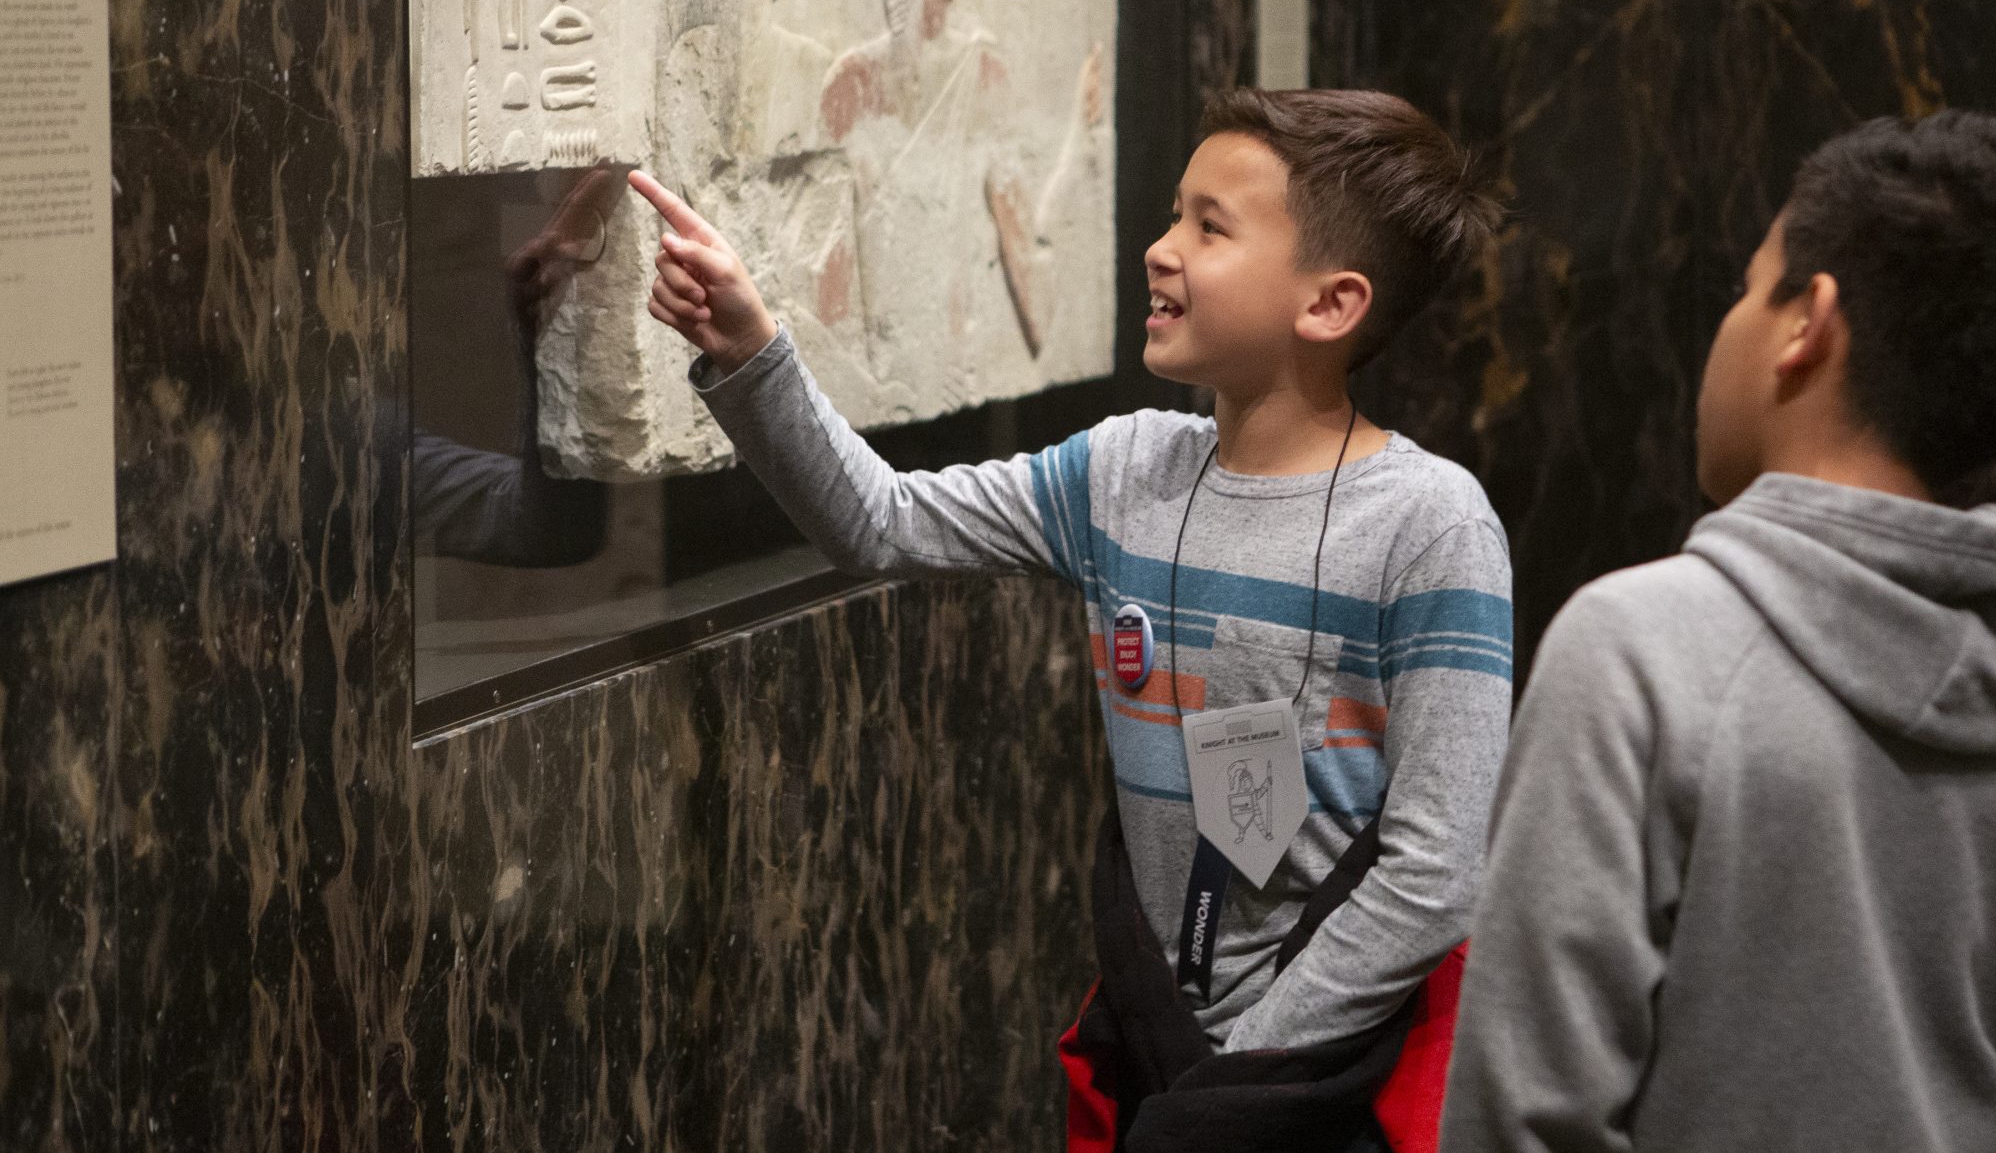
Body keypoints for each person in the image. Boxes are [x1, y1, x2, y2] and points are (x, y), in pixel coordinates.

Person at [631, 87, 1511, 1152]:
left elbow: (1432, 871)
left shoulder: (1430, 524)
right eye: (1172, 212)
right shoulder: (1124, 471)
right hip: (1153, 1046)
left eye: (1208, 227)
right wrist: (751, 351)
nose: (1159, 248)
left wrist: (1241, 1082)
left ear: (1328, 305)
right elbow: (884, 523)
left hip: (1315, 1084)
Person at [1441, 111, 1996, 1153]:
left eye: (1748, 286)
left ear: (1808, 324)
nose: (1728, 323)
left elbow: (1521, 1114)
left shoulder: (1640, 647)